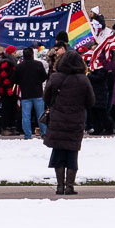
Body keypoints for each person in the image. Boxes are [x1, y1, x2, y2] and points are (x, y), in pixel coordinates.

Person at [43, 48, 92, 196]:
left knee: (58, 152)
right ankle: (69, 186)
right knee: (72, 153)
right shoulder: (83, 79)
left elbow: (46, 97)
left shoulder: (55, 78)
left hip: (58, 119)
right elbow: (91, 101)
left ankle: (59, 186)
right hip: (76, 120)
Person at [14, 47, 50, 138]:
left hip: (25, 93)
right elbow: (44, 77)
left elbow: (14, 79)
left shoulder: (19, 66)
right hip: (38, 92)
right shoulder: (38, 64)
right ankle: (44, 132)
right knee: (41, 114)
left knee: (26, 116)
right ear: (32, 55)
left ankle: (27, 134)